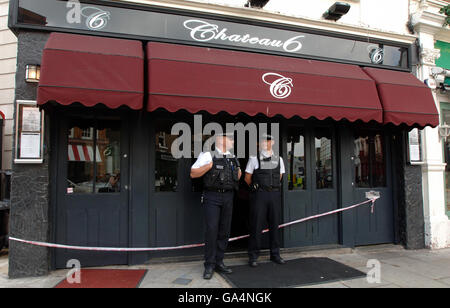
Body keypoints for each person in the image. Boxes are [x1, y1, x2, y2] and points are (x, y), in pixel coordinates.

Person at [191, 133, 242, 280]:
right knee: (212, 230)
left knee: (224, 231)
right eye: (230, 138)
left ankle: (219, 262)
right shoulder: (208, 155)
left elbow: (237, 176)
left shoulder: (232, 157)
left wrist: (237, 173)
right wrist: (209, 166)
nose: (233, 141)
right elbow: (193, 173)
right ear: (220, 140)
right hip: (212, 196)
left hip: (228, 196)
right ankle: (209, 265)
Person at [245, 134, 286, 267]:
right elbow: (247, 178)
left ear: (272, 142)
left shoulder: (279, 159)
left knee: (274, 225)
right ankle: (253, 256)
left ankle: (275, 255)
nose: (265, 143)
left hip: (273, 194)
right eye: (262, 141)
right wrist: (259, 188)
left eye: (267, 141)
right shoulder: (254, 158)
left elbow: (279, 176)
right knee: (256, 225)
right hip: (260, 195)